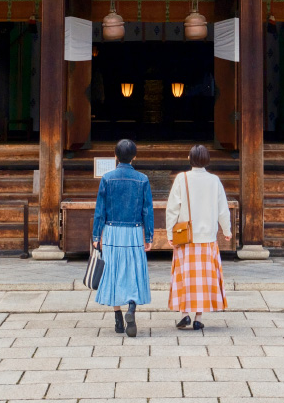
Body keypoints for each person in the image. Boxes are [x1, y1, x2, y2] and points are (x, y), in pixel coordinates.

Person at [91, 138, 153, 337]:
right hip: (134, 232)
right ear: (135, 156)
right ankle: (131, 309)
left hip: (111, 232)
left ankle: (118, 319)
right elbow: (147, 210)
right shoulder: (142, 179)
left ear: (115, 155)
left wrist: (96, 235)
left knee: (114, 273)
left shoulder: (107, 178)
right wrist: (149, 236)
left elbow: (100, 210)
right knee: (133, 272)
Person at [166, 144, 231, 330]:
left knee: (185, 276)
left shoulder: (182, 178)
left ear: (190, 159)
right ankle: (198, 317)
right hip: (208, 238)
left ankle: (184, 313)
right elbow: (222, 210)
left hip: (185, 237)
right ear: (207, 160)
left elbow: (172, 209)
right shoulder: (214, 181)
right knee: (204, 279)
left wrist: (170, 232)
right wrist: (227, 231)